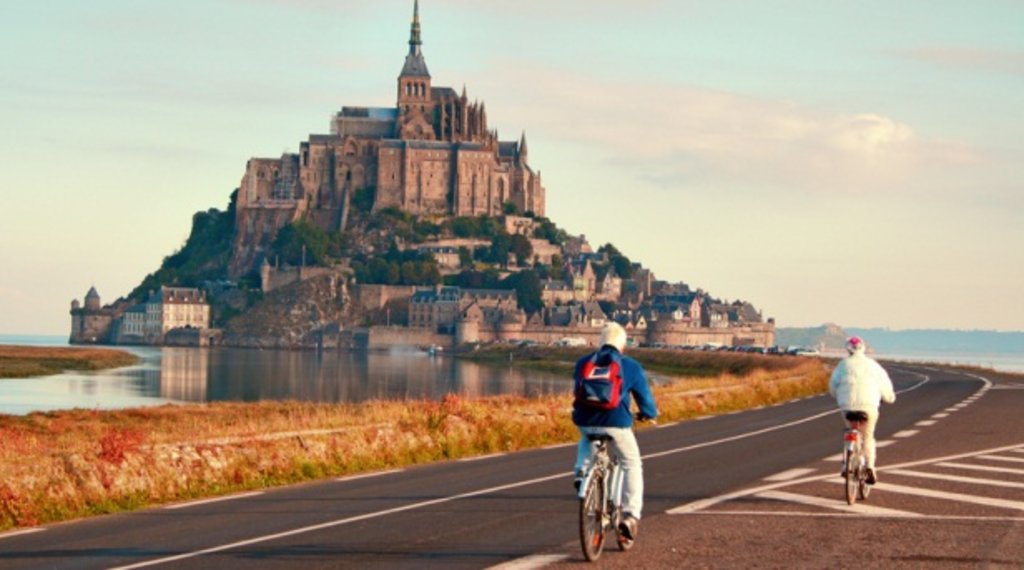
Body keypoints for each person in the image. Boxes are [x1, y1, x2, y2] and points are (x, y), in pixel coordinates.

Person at [572, 322, 658, 541]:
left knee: (586, 436)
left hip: (585, 420)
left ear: (600, 342)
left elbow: (577, 391)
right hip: (616, 422)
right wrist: (649, 413)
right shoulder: (630, 366)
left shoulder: (584, 362)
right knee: (632, 464)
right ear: (623, 346)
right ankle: (630, 516)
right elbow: (645, 400)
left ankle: (581, 473)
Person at [828, 336, 896, 484]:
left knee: (850, 430)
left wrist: (840, 396)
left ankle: (847, 463)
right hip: (869, 406)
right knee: (868, 436)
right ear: (863, 348)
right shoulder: (873, 365)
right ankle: (870, 466)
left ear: (848, 350)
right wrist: (889, 398)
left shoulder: (842, 365)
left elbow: (832, 388)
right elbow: (886, 387)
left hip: (847, 406)